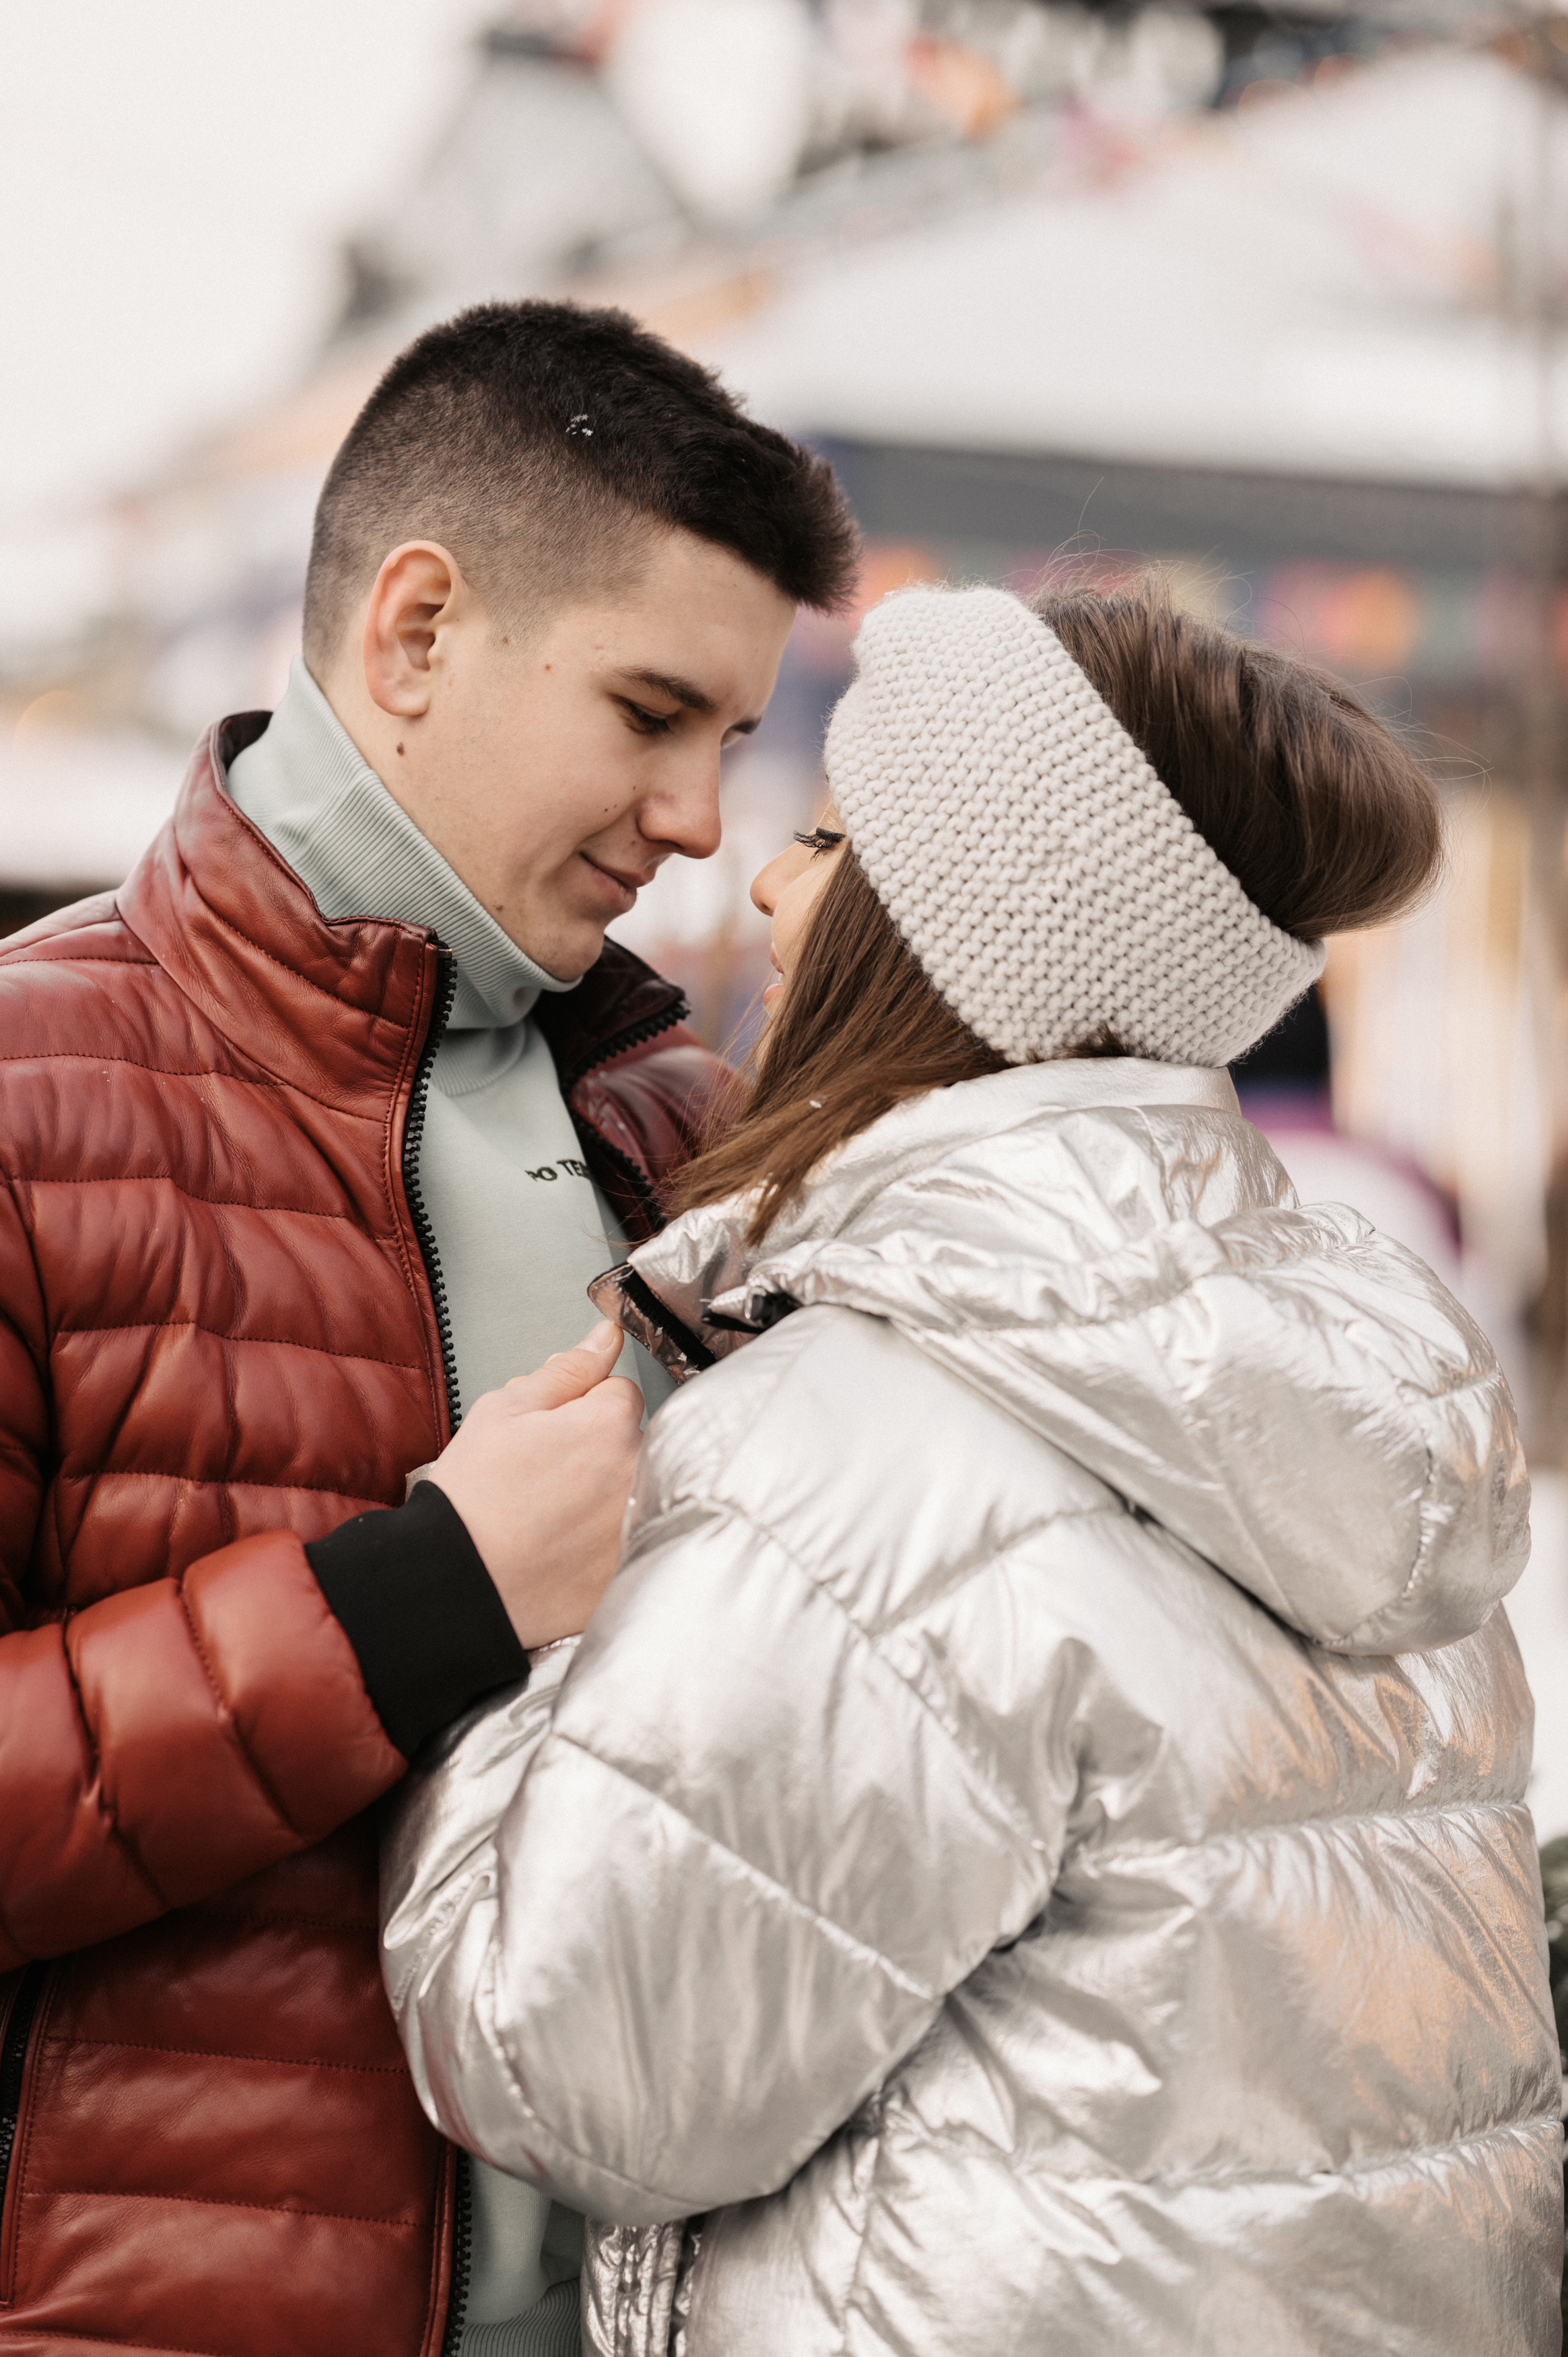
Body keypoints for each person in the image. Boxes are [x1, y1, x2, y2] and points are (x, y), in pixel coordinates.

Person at [384, 579, 1564, 2356]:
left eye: (829, 837)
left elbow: (580, 2065)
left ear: (956, 930)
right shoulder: (1344, 1389)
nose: (767, 884)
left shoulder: (874, 1437)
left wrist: (506, 1611)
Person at [0, 300, 856, 2357]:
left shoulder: (696, 1135)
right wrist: (413, 1599)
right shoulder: (29, 1098)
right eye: (649, 710)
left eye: (731, 741)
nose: (694, 822)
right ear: (415, 631)